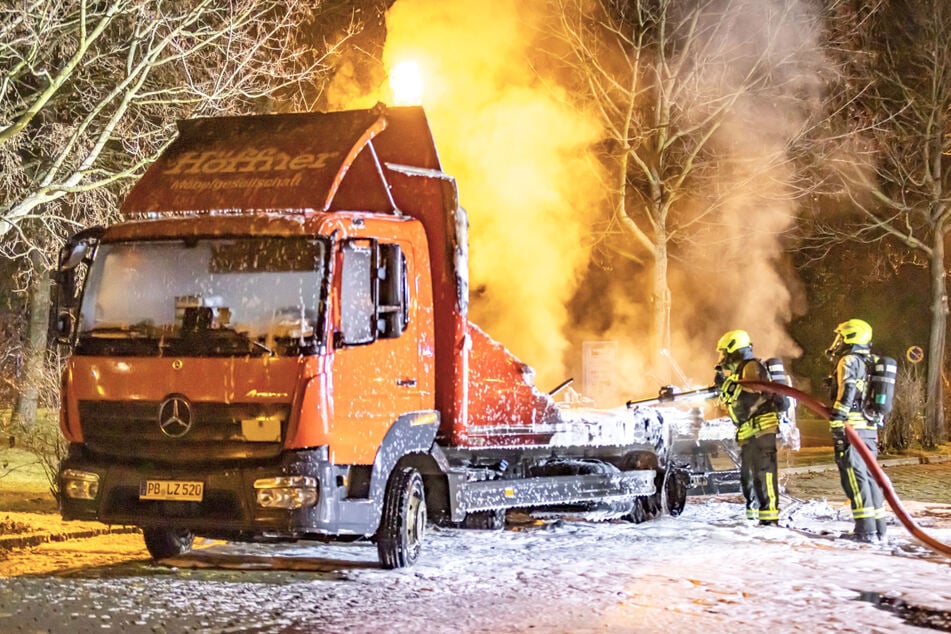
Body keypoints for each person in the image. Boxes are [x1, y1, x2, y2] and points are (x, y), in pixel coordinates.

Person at [825, 318, 886, 543]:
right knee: (870, 477)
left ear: (852, 337)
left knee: (855, 477)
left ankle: (864, 531)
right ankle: (878, 529)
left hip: (852, 429)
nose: (838, 341)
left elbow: (849, 389)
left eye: (841, 336)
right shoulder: (873, 360)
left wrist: (838, 417)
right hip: (869, 429)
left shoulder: (848, 360)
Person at [715, 330, 783, 525]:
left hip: (761, 430)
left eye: (724, 352)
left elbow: (750, 392)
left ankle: (769, 519)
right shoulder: (738, 372)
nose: (722, 357)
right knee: (749, 477)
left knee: (764, 474)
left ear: (733, 349)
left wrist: (728, 386)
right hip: (749, 432)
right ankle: (754, 514)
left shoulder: (751, 367)